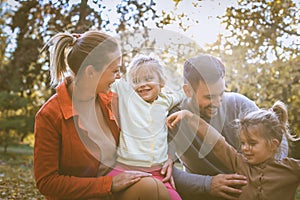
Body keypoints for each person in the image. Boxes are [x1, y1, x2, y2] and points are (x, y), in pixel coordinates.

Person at [34, 31, 171, 200]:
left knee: (154, 187)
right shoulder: (50, 115)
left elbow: (154, 120)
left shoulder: (114, 100)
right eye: (115, 70)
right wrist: (109, 184)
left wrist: (167, 156)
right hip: (82, 196)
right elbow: (47, 182)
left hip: (116, 191)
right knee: (151, 188)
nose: (119, 76)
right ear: (91, 72)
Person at [167, 54, 289, 200]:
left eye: (221, 94)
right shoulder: (173, 117)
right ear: (187, 91)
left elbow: (278, 139)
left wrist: (263, 174)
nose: (218, 103)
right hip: (201, 193)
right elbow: (161, 169)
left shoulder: (239, 104)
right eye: (209, 97)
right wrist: (207, 184)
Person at [167, 101, 300, 200]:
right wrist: (191, 117)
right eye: (243, 143)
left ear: (273, 145)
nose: (245, 148)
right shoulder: (240, 163)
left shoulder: (292, 169)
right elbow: (218, 143)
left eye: (252, 143)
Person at [108, 55, 183, 199]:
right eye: (136, 81)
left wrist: (185, 113)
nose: (142, 84)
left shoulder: (165, 100)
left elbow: (184, 94)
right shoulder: (127, 97)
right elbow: (105, 80)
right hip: (126, 168)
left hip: (157, 172)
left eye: (148, 79)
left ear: (162, 82)